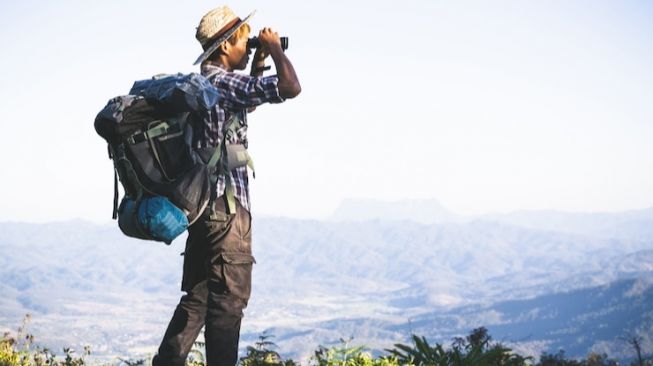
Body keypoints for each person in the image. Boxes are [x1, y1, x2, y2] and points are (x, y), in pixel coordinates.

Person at [152, 6, 300, 366]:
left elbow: (245, 103)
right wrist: (275, 49)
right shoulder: (223, 84)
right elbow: (290, 88)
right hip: (228, 213)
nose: (247, 45)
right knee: (228, 307)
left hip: (201, 212)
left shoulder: (202, 86)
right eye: (243, 40)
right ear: (224, 46)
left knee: (198, 299)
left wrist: (258, 59)